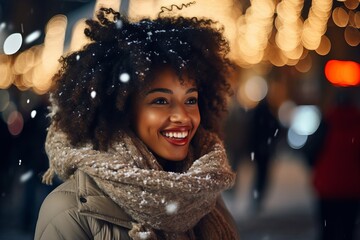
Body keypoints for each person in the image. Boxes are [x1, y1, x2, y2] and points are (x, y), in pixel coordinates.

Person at [34, 7, 240, 240]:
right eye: (161, 100)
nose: (183, 116)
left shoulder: (204, 199)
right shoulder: (68, 212)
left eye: (190, 100)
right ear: (121, 111)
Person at [311, 88, 360, 240]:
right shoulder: (357, 125)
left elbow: (312, 151)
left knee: (328, 230)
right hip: (352, 189)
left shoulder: (327, 124)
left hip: (328, 188)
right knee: (348, 230)